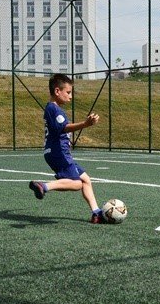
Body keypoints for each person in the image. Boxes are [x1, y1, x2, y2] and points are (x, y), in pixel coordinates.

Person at [28, 73, 105, 223]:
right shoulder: (53, 109)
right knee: (76, 184)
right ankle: (43, 186)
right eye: (68, 92)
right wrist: (85, 124)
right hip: (58, 152)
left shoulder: (53, 109)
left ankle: (96, 213)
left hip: (58, 152)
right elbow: (63, 128)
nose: (70, 97)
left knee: (85, 179)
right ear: (57, 91)